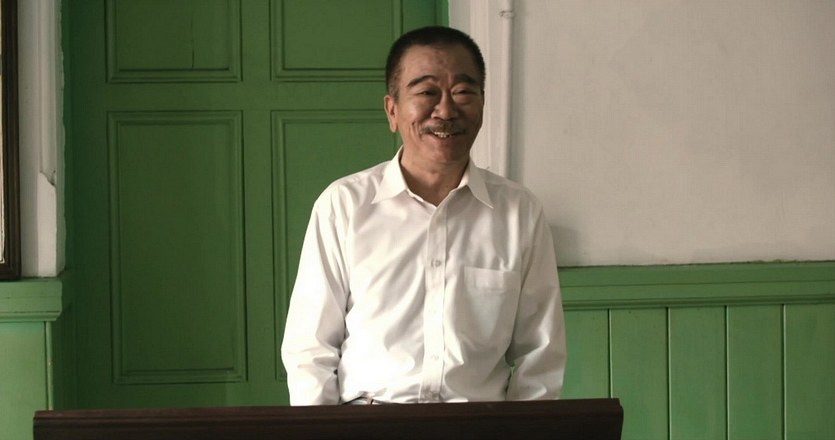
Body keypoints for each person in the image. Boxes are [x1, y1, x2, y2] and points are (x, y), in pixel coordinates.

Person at [281, 26, 565, 405]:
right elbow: (310, 350)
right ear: (392, 110)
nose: (446, 110)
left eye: (463, 92)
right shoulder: (344, 206)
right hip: (366, 424)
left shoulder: (519, 213)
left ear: (482, 106)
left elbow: (540, 354)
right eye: (427, 92)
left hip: (479, 426)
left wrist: (522, 431)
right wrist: (324, 431)